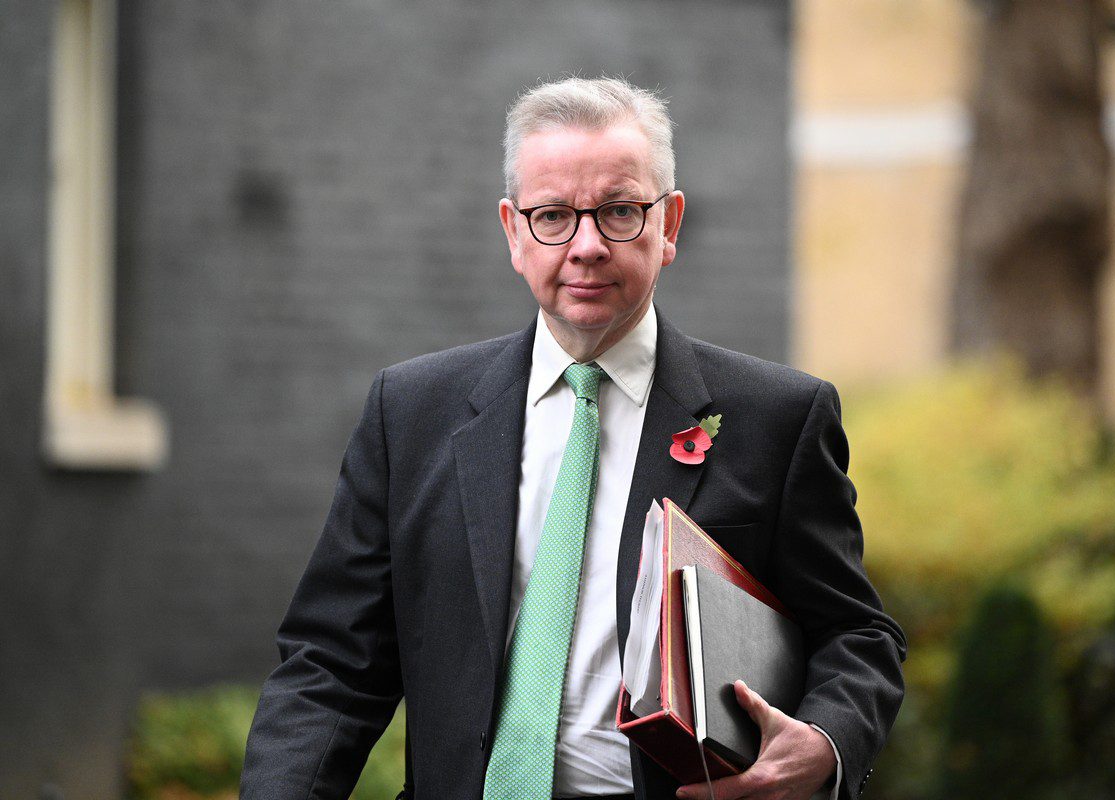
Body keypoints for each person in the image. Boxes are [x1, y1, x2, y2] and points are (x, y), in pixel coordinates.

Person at [241, 76, 905, 800]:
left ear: (670, 223)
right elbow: (331, 664)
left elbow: (856, 636)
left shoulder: (777, 418)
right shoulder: (411, 415)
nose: (586, 246)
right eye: (553, 215)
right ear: (513, 232)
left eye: (620, 211)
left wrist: (825, 742)